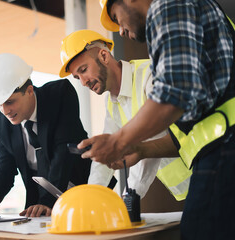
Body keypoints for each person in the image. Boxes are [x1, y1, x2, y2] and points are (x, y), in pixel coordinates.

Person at [79, 0, 235, 238]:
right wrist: (139, 149)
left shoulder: (169, 4)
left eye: (116, 15)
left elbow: (175, 91)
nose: (120, 30)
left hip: (224, 147)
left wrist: (119, 141)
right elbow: (187, 127)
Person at [59, 29, 191, 201]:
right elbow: (105, 155)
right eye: (77, 78)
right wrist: (90, 197)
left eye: (83, 70)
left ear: (104, 56)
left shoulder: (150, 75)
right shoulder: (112, 103)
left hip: (212, 171)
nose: (83, 82)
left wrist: (129, 199)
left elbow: (152, 137)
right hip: (188, 189)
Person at [0, 53, 96, 217]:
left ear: (29, 91)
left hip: (84, 195)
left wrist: (47, 202)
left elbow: (62, 154)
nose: (5, 111)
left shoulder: (60, 95)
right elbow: (5, 167)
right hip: (39, 206)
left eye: (10, 102)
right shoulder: (0, 123)